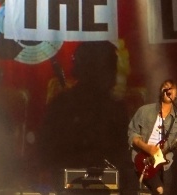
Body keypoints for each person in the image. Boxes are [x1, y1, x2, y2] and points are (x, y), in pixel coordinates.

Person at [37, 41, 129, 194]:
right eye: (111, 67)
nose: (115, 74)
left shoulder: (61, 104)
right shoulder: (114, 108)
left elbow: (44, 154)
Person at [127, 79, 177, 195]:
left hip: (164, 165)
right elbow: (132, 134)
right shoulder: (144, 111)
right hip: (143, 160)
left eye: (171, 88)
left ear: (176, 94)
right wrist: (147, 148)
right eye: (165, 87)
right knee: (159, 190)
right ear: (161, 91)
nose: (167, 89)